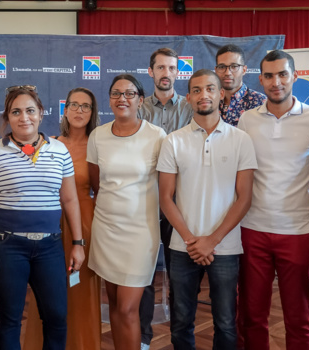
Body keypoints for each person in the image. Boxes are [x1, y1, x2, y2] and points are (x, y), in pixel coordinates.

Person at [236, 50, 309, 350]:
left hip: (299, 231)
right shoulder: (246, 120)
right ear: (261, 79)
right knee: (252, 315)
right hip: (252, 229)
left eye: (282, 74)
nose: (276, 81)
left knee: (298, 317)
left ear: (295, 76)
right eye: (268, 76)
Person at [0, 85, 85, 350]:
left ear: (41, 113)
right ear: (7, 117)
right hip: (5, 246)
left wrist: (78, 243)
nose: (24, 117)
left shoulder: (59, 150)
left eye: (30, 110)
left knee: (56, 317)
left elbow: (69, 200)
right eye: (16, 111)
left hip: (49, 247)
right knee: (9, 319)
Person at [158, 69, 257, 349]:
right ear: (188, 98)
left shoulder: (241, 140)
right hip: (182, 246)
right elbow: (166, 197)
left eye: (211, 89)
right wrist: (192, 241)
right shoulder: (173, 141)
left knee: (226, 323)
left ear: (221, 94)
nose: (205, 95)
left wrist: (211, 241)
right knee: (180, 321)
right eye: (197, 90)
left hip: (225, 248)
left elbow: (244, 198)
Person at [88, 74, 167, 349]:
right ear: (109, 99)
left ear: (140, 100)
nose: (122, 98)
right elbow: (97, 184)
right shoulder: (97, 135)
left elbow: (167, 185)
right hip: (106, 229)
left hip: (140, 233)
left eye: (129, 93)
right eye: (116, 93)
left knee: (127, 309)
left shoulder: (157, 136)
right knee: (114, 307)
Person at [23, 87, 102, 350]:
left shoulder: (99, 144)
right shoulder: (48, 144)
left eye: (86, 106)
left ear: (92, 112)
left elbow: (102, 190)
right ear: (64, 109)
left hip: (84, 225)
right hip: (48, 223)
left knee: (80, 292)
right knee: (45, 292)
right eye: (74, 105)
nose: (79, 111)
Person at [138, 47, 193, 350]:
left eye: (171, 68)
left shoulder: (190, 107)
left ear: (177, 72)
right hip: (144, 200)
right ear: (151, 72)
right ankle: (144, 338)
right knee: (144, 272)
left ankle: (180, 340)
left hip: (180, 201)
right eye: (160, 68)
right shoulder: (137, 107)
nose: (166, 73)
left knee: (179, 274)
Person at [214, 44, 266, 126]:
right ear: (216, 70)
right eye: (222, 67)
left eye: (234, 66)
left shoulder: (260, 102)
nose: (227, 73)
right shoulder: (211, 101)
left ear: (244, 70)